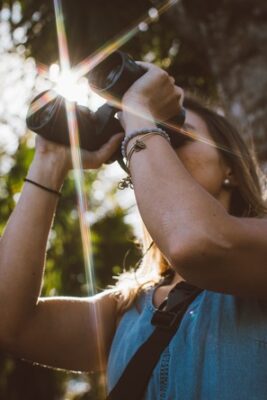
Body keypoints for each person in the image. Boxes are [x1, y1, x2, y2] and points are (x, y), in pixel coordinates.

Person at [0, 61, 267, 400]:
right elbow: (10, 321)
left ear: (230, 165)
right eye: (151, 137)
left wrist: (139, 113)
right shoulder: (127, 310)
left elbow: (197, 243)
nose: (161, 148)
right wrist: (51, 160)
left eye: (174, 135)